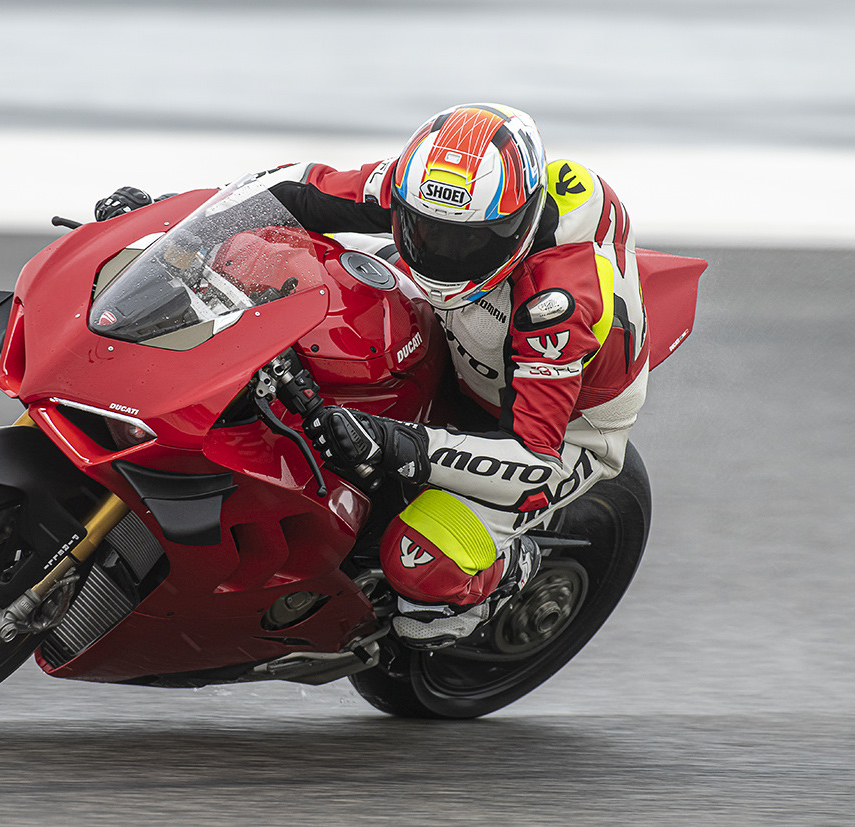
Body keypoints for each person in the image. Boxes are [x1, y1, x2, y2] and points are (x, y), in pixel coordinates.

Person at [95, 103, 648, 650]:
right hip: (464, 334)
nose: (442, 253)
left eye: (467, 242)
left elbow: (533, 458)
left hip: (566, 425)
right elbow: (291, 189)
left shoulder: (557, 304)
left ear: (518, 223)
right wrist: (177, 221)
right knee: (280, 267)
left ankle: (510, 568)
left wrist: (395, 442)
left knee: (421, 573)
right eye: (427, 232)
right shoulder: (425, 190)